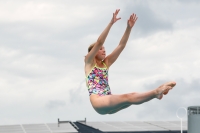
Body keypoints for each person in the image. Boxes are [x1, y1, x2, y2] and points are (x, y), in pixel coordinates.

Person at [84, 9, 176, 115]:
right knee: (130, 96)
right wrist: (111, 23)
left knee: (131, 101)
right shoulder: (88, 62)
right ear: (93, 52)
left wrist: (128, 28)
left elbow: (121, 45)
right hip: (98, 101)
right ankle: (156, 92)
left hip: (108, 101)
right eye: (100, 49)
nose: (104, 50)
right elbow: (100, 42)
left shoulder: (106, 63)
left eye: (104, 48)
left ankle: (156, 94)